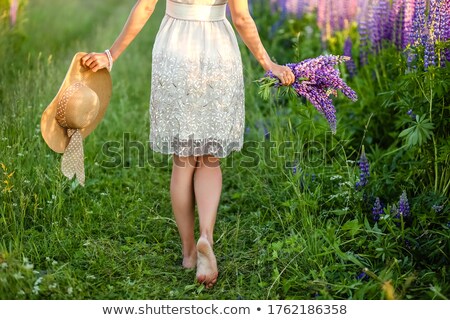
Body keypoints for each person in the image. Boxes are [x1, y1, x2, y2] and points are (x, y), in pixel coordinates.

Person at [81, 0, 295, 289]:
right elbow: (242, 19)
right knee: (209, 158)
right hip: (218, 49)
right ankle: (206, 234)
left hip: (176, 48)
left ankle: (189, 253)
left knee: (183, 161)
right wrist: (269, 63)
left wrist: (111, 54)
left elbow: (145, 8)